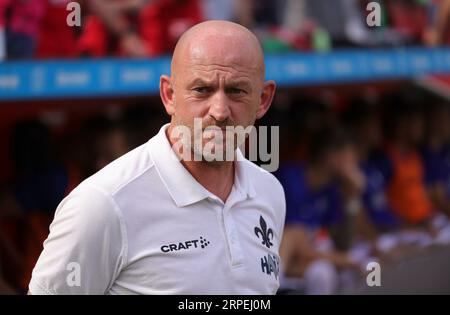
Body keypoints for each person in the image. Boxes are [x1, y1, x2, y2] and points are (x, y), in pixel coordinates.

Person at [28, 21, 285, 295]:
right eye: (202, 90)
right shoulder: (102, 204)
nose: (220, 111)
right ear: (169, 95)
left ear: (263, 100)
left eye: (237, 91)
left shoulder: (268, 192)